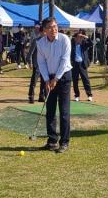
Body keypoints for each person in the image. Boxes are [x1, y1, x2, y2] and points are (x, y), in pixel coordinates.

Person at [36, 17, 72, 153]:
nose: (54, 29)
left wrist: (56, 78)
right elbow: (42, 63)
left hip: (63, 77)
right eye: (50, 27)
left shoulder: (64, 40)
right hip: (48, 77)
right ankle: (52, 140)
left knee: (64, 111)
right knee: (50, 110)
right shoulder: (40, 43)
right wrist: (46, 80)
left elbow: (64, 61)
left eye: (55, 26)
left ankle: (64, 142)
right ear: (44, 30)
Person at [71, 31, 93, 102]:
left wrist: (86, 37)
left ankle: (89, 95)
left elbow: (91, 43)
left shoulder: (84, 44)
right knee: (75, 81)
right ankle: (77, 95)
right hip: (75, 65)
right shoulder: (72, 44)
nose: (79, 39)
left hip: (82, 64)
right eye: (78, 38)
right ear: (75, 38)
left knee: (85, 80)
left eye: (81, 38)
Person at [27, 24, 46, 103]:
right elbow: (29, 54)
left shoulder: (47, 41)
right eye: (44, 32)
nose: (45, 33)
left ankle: (41, 96)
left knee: (44, 81)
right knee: (34, 80)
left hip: (45, 65)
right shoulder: (36, 41)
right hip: (37, 64)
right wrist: (30, 63)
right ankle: (31, 96)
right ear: (41, 32)